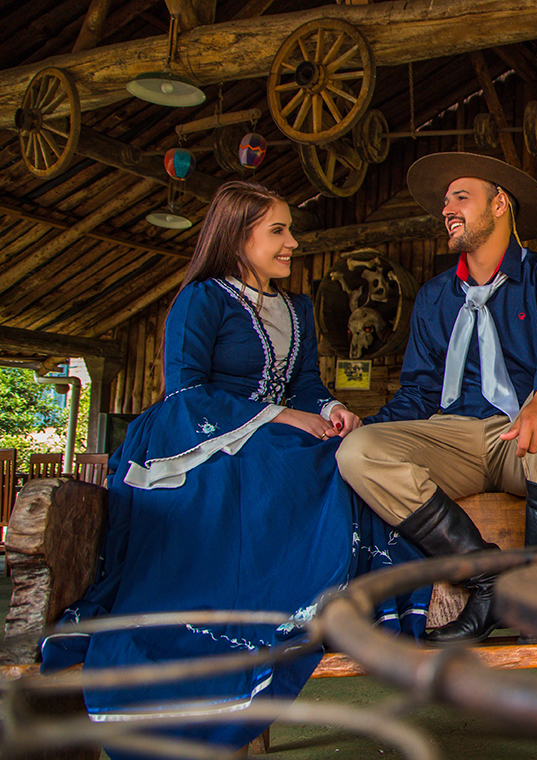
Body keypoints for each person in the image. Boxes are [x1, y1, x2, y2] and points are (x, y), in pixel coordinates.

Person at [40, 181, 430, 758]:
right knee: (293, 469)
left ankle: (348, 593)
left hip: (279, 434)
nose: (293, 242)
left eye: (289, 230)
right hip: (198, 438)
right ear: (237, 236)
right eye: (278, 231)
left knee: (350, 455)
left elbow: (307, 385)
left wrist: (330, 408)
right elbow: (185, 390)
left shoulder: (295, 307)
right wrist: (285, 418)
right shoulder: (201, 298)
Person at [337, 152, 537, 646]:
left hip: (522, 432)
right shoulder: (435, 296)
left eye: (461, 197)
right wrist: (362, 424)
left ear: (499, 204)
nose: (447, 209)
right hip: (452, 434)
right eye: (445, 201)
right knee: (358, 452)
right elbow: (417, 392)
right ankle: (488, 578)